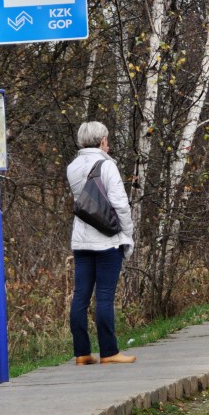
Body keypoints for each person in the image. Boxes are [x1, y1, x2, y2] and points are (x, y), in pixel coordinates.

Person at [67, 120, 136, 365]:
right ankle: (109, 352)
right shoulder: (107, 166)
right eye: (107, 139)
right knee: (104, 296)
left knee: (80, 296)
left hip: (81, 240)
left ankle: (82, 353)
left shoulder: (73, 166)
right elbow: (120, 204)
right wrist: (127, 234)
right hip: (107, 239)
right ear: (102, 141)